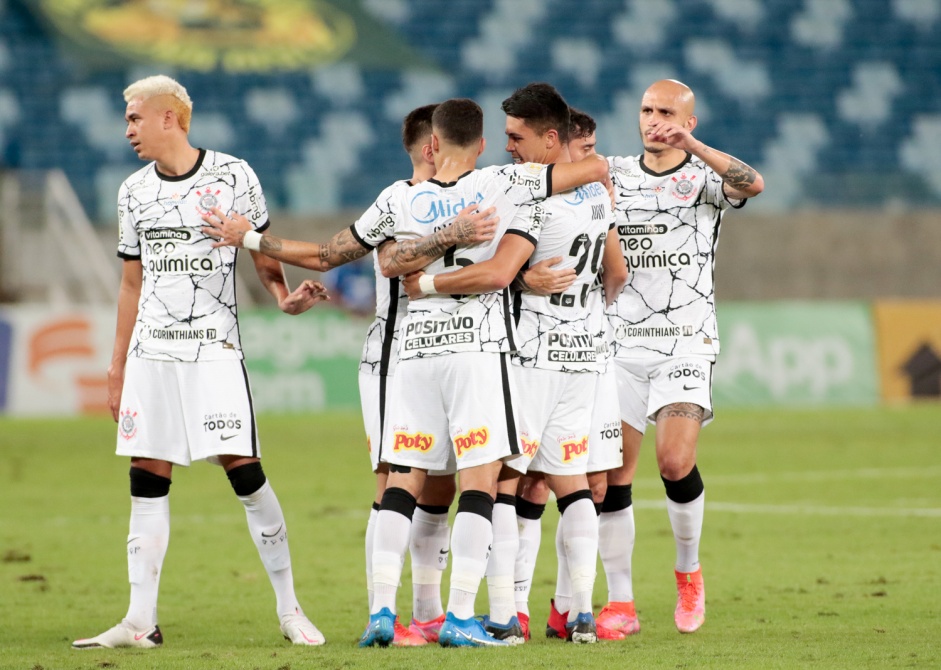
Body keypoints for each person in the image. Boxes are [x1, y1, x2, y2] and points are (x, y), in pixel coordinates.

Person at [200, 104, 499, 646]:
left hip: (431, 357)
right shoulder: (405, 200)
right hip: (394, 357)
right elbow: (326, 255)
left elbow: (328, 254)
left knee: (437, 488)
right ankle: (382, 611)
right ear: (433, 145)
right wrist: (247, 237)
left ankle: (425, 614)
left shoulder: (432, 200)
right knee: (394, 485)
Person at [72, 75, 330, 650]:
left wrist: (283, 299)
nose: (128, 129)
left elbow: (260, 249)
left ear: (171, 118)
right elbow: (130, 283)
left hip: (213, 349)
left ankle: (290, 609)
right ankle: (141, 621)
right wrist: (117, 367)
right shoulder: (132, 191)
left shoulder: (234, 176)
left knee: (245, 471)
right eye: (126, 120)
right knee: (146, 479)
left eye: (135, 118)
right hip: (151, 355)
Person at [360, 97, 610, 648]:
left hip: (414, 354)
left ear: (430, 145)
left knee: (403, 483)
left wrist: (254, 240)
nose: (505, 146)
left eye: (515, 137)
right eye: (498, 138)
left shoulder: (399, 198)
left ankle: (383, 610)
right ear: (475, 145)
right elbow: (504, 270)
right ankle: (482, 615)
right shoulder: (504, 185)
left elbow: (367, 259)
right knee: (499, 482)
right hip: (503, 353)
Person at [601, 79, 765, 635]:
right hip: (618, 343)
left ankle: (688, 572)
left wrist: (694, 149)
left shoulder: (705, 177)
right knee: (609, 478)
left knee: (673, 462)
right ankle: (620, 602)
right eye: (646, 109)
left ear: (689, 122)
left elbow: (754, 184)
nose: (654, 120)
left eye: (666, 112)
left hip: (685, 340)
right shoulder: (613, 174)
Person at [509, 107, 630, 641]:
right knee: (571, 482)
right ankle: (579, 610)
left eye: (517, 137)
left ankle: (512, 611)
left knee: (506, 480)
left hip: (533, 353)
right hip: (585, 351)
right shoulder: (598, 195)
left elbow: (496, 273)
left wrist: (522, 285)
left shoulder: (531, 194)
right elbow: (617, 272)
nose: (510, 146)